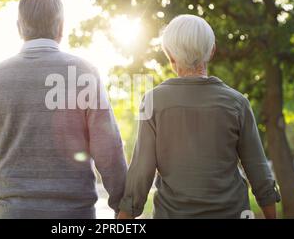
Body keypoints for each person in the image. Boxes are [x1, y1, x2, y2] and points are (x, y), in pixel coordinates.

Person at [0, 0, 127, 219]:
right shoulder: (84, 74)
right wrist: (124, 206)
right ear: (61, 27)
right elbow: (109, 149)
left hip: (12, 212)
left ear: (19, 28)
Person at [117, 14, 281, 219]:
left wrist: (124, 217)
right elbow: (258, 169)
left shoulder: (153, 102)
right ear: (212, 51)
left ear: (170, 55)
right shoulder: (237, 103)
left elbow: (141, 173)